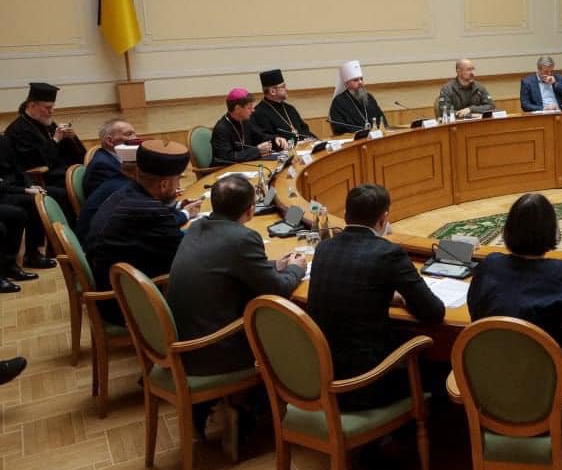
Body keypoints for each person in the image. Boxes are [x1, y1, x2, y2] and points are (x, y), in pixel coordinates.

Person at [307, 184, 445, 410]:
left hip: (320, 375)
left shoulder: (324, 248)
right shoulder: (388, 253)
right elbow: (434, 312)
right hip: (366, 383)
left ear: (346, 214)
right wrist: (404, 299)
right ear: (384, 219)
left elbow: (354, 289)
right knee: (441, 368)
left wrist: (385, 295)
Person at [166, 175, 307, 377]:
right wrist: (295, 269)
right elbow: (279, 289)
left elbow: (232, 265)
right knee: (293, 325)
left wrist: (276, 265)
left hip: (185, 341)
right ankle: (276, 392)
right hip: (212, 351)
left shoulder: (197, 226)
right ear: (251, 210)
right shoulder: (242, 239)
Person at [467, 193, 562, 365]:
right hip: (551, 380)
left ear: (507, 229)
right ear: (552, 231)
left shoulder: (489, 265)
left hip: (485, 376)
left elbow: (476, 313)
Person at [86, 140, 197, 325]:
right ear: (164, 185)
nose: (178, 185)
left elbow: (155, 225)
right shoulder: (150, 211)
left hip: (118, 286)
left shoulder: (125, 193)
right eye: (178, 179)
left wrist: (179, 212)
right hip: (129, 304)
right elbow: (187, 255)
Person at [3, 82, 86, 202]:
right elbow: (33, 162)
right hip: (41, 178)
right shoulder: (18, 130)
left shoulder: (46, 122)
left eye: (53, 107)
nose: (52, 111)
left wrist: (71, 138)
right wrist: (55, 140)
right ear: (32, 106)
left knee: (88, 175)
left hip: (60, 171)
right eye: (47, 108)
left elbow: (69, 153)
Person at [0, 135, 56, 273]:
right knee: (18, 213)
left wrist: (30, 185)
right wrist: (24, 190)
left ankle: (33, 254)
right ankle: (8, 264)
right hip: (4, 192)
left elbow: (18, 168)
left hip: (8, 188)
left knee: (34, 201)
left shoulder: (3, 141)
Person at [249, 69, 315, 145]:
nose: (287, 89)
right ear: (272, 91)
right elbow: (267, 139)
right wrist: (295, 143)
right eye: (283, 87)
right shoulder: (258, 113)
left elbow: (304, 130)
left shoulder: (290, 108)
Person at [212, 89, 276, 166]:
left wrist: (275, 139)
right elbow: (227, 158)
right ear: (237, 109)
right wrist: (257, 151)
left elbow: (259, 136)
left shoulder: (244, 121)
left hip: (245, 165)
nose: (253, 110)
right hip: (225, 169)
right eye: (249, 108)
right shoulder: (221, 129)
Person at [84, 118, 138, 199]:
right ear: (110, 141)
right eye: (128, 134)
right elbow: (126, 194)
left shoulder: (119, 158)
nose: (136, 138)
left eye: (135, 134)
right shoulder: (102, 165)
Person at [328, 60, 386, 134]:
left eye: (361, 79)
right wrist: (362, 132)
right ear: (346, 84)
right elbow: (339, 127)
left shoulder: (369, 97)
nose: (360, 82)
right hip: (355, 138)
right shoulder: (338, 102)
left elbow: (381, 117)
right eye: (356, 80)